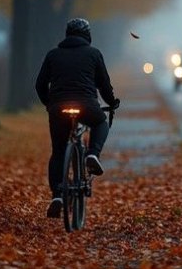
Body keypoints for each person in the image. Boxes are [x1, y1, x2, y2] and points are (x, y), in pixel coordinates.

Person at [35, 17, 119, 218]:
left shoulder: (53, 55)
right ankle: (92, 154)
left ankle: (57, 195)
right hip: (87, 105)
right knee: (100, 122)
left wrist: (50, 104)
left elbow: (40, 85)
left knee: (58, 151)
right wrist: (112, 101)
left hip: (59, 107)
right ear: (87, 35)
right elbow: (103, 84)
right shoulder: (94, 54)